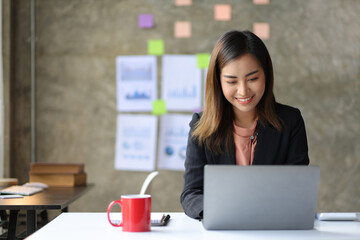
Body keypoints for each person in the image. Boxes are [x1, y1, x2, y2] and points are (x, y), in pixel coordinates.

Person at [180, 30, 310, 220]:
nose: (243, 91)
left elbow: (298, 189)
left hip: (274, 227)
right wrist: (220, 214)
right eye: (232, 81)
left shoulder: (291, 121)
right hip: (222, 228)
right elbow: (191, 193)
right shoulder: (201, 126)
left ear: (266, 74)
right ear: (218, 81)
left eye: (252, 79)